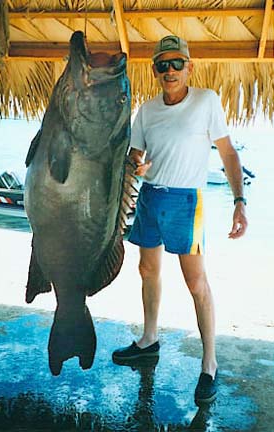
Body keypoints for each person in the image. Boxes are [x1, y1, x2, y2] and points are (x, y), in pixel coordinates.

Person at [112, 35, 248, 405]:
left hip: (188, 200)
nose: (169, 71)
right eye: (162, 64)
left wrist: (239, 200)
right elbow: (135, 155)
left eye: (176, 63)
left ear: (189, 67)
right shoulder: (147, 110)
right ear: (155, 70)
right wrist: (138, 165)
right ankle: (149, 339)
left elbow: (229, 152)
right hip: (151, 197)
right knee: (147, 270)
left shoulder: (207, 101)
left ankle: (209, 364)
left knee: (196, 282)